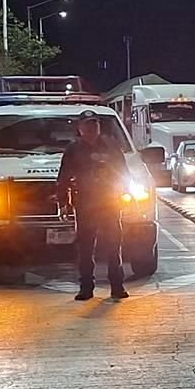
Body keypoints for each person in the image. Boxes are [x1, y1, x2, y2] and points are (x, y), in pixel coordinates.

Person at [56, 110, 129, 301]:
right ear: (80, 128)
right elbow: (63, 177)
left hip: (109, 203)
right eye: (88, 125)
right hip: (86, 204)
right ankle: (86, 288)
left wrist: (125, 193)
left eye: (95, 124)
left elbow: (123, 171)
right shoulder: (73, 150)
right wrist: (63, 202)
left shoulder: (111, 146)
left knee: (114, 245)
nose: (92, 128)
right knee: (86, 248)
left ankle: (117, 286)